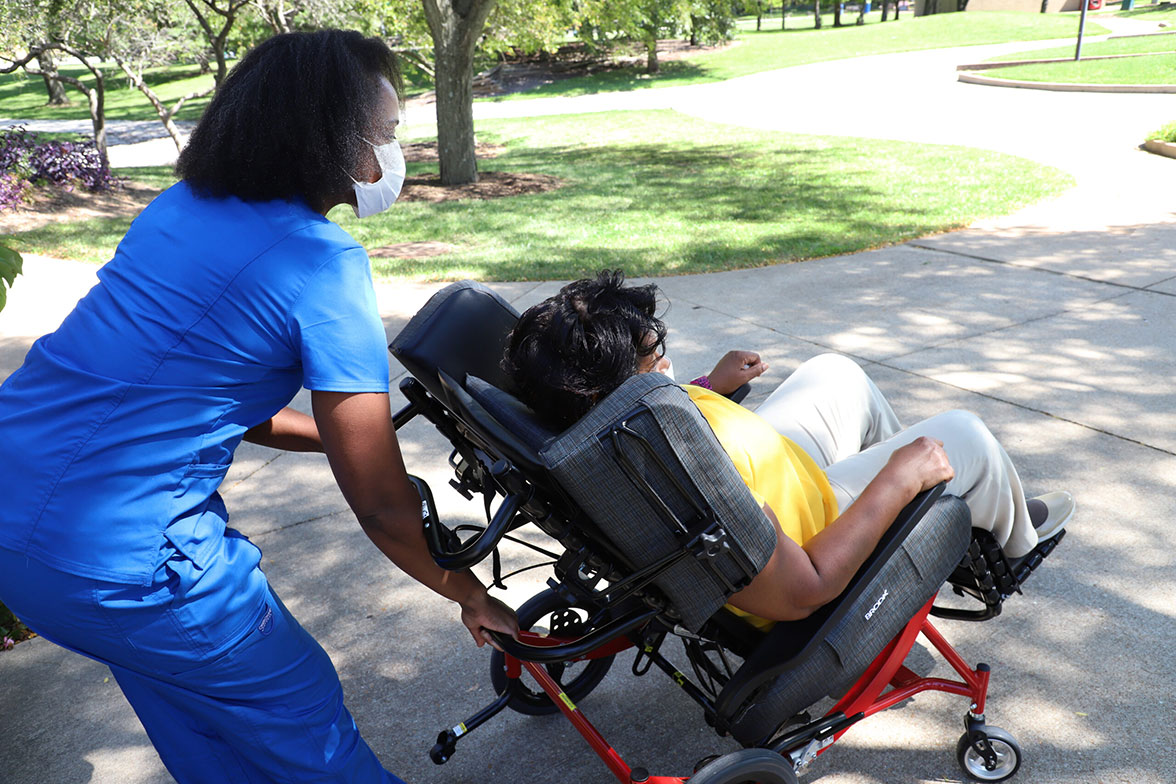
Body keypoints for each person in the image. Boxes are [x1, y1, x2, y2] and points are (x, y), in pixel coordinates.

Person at [0, 31, 516, 784]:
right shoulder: (321, 260)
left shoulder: (182, 209)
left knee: (201, 725)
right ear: (326, 138)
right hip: (125, 560)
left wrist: (339, 440)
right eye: (387, 132)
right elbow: (377, 500)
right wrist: (467, 592)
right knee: (302, 722)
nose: (394, 151)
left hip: (20, 529)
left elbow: (191, 393)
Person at [504, 271, 1073, 626]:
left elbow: (659, 415)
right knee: (963, 434)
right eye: (654, 358)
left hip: (770, 476)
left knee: (836, 373)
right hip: (810, 540)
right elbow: (803, 589)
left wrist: (703, 387)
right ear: (620, 385)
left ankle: (923, 519)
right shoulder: (688, 482)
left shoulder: (613, 426)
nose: (663, 357)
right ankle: (1010, 542)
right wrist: (898, 479)